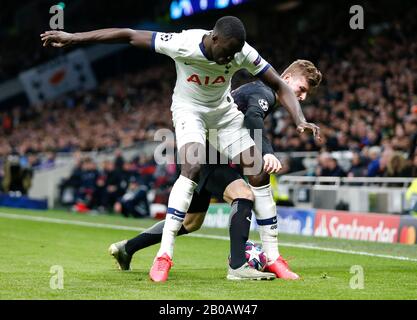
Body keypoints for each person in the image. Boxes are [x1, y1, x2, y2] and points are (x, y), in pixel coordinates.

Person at [41, 16, 320, 282]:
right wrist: (74, 38)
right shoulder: (183, 43)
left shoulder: (242, 52)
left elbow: (279, 84)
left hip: (222, 115)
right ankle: (164, 256)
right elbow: (127, 35)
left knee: (254, 175)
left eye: (234, 54)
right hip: (190, 113)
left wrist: (300, 119)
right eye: (225, 52)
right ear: (213, 38)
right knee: (194, 167)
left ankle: (273, 257)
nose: (228, 59)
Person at [109, 60, 322, 280]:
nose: (302, 97)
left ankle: (127, 248)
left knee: (191, 222)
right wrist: (266, 152)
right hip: (208, 158)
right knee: (243, 195)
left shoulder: (258, 92)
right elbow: (252, 118)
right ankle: (238, 265)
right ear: (286, 80)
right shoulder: (263, 91)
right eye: (302, 89)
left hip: (209, 156)